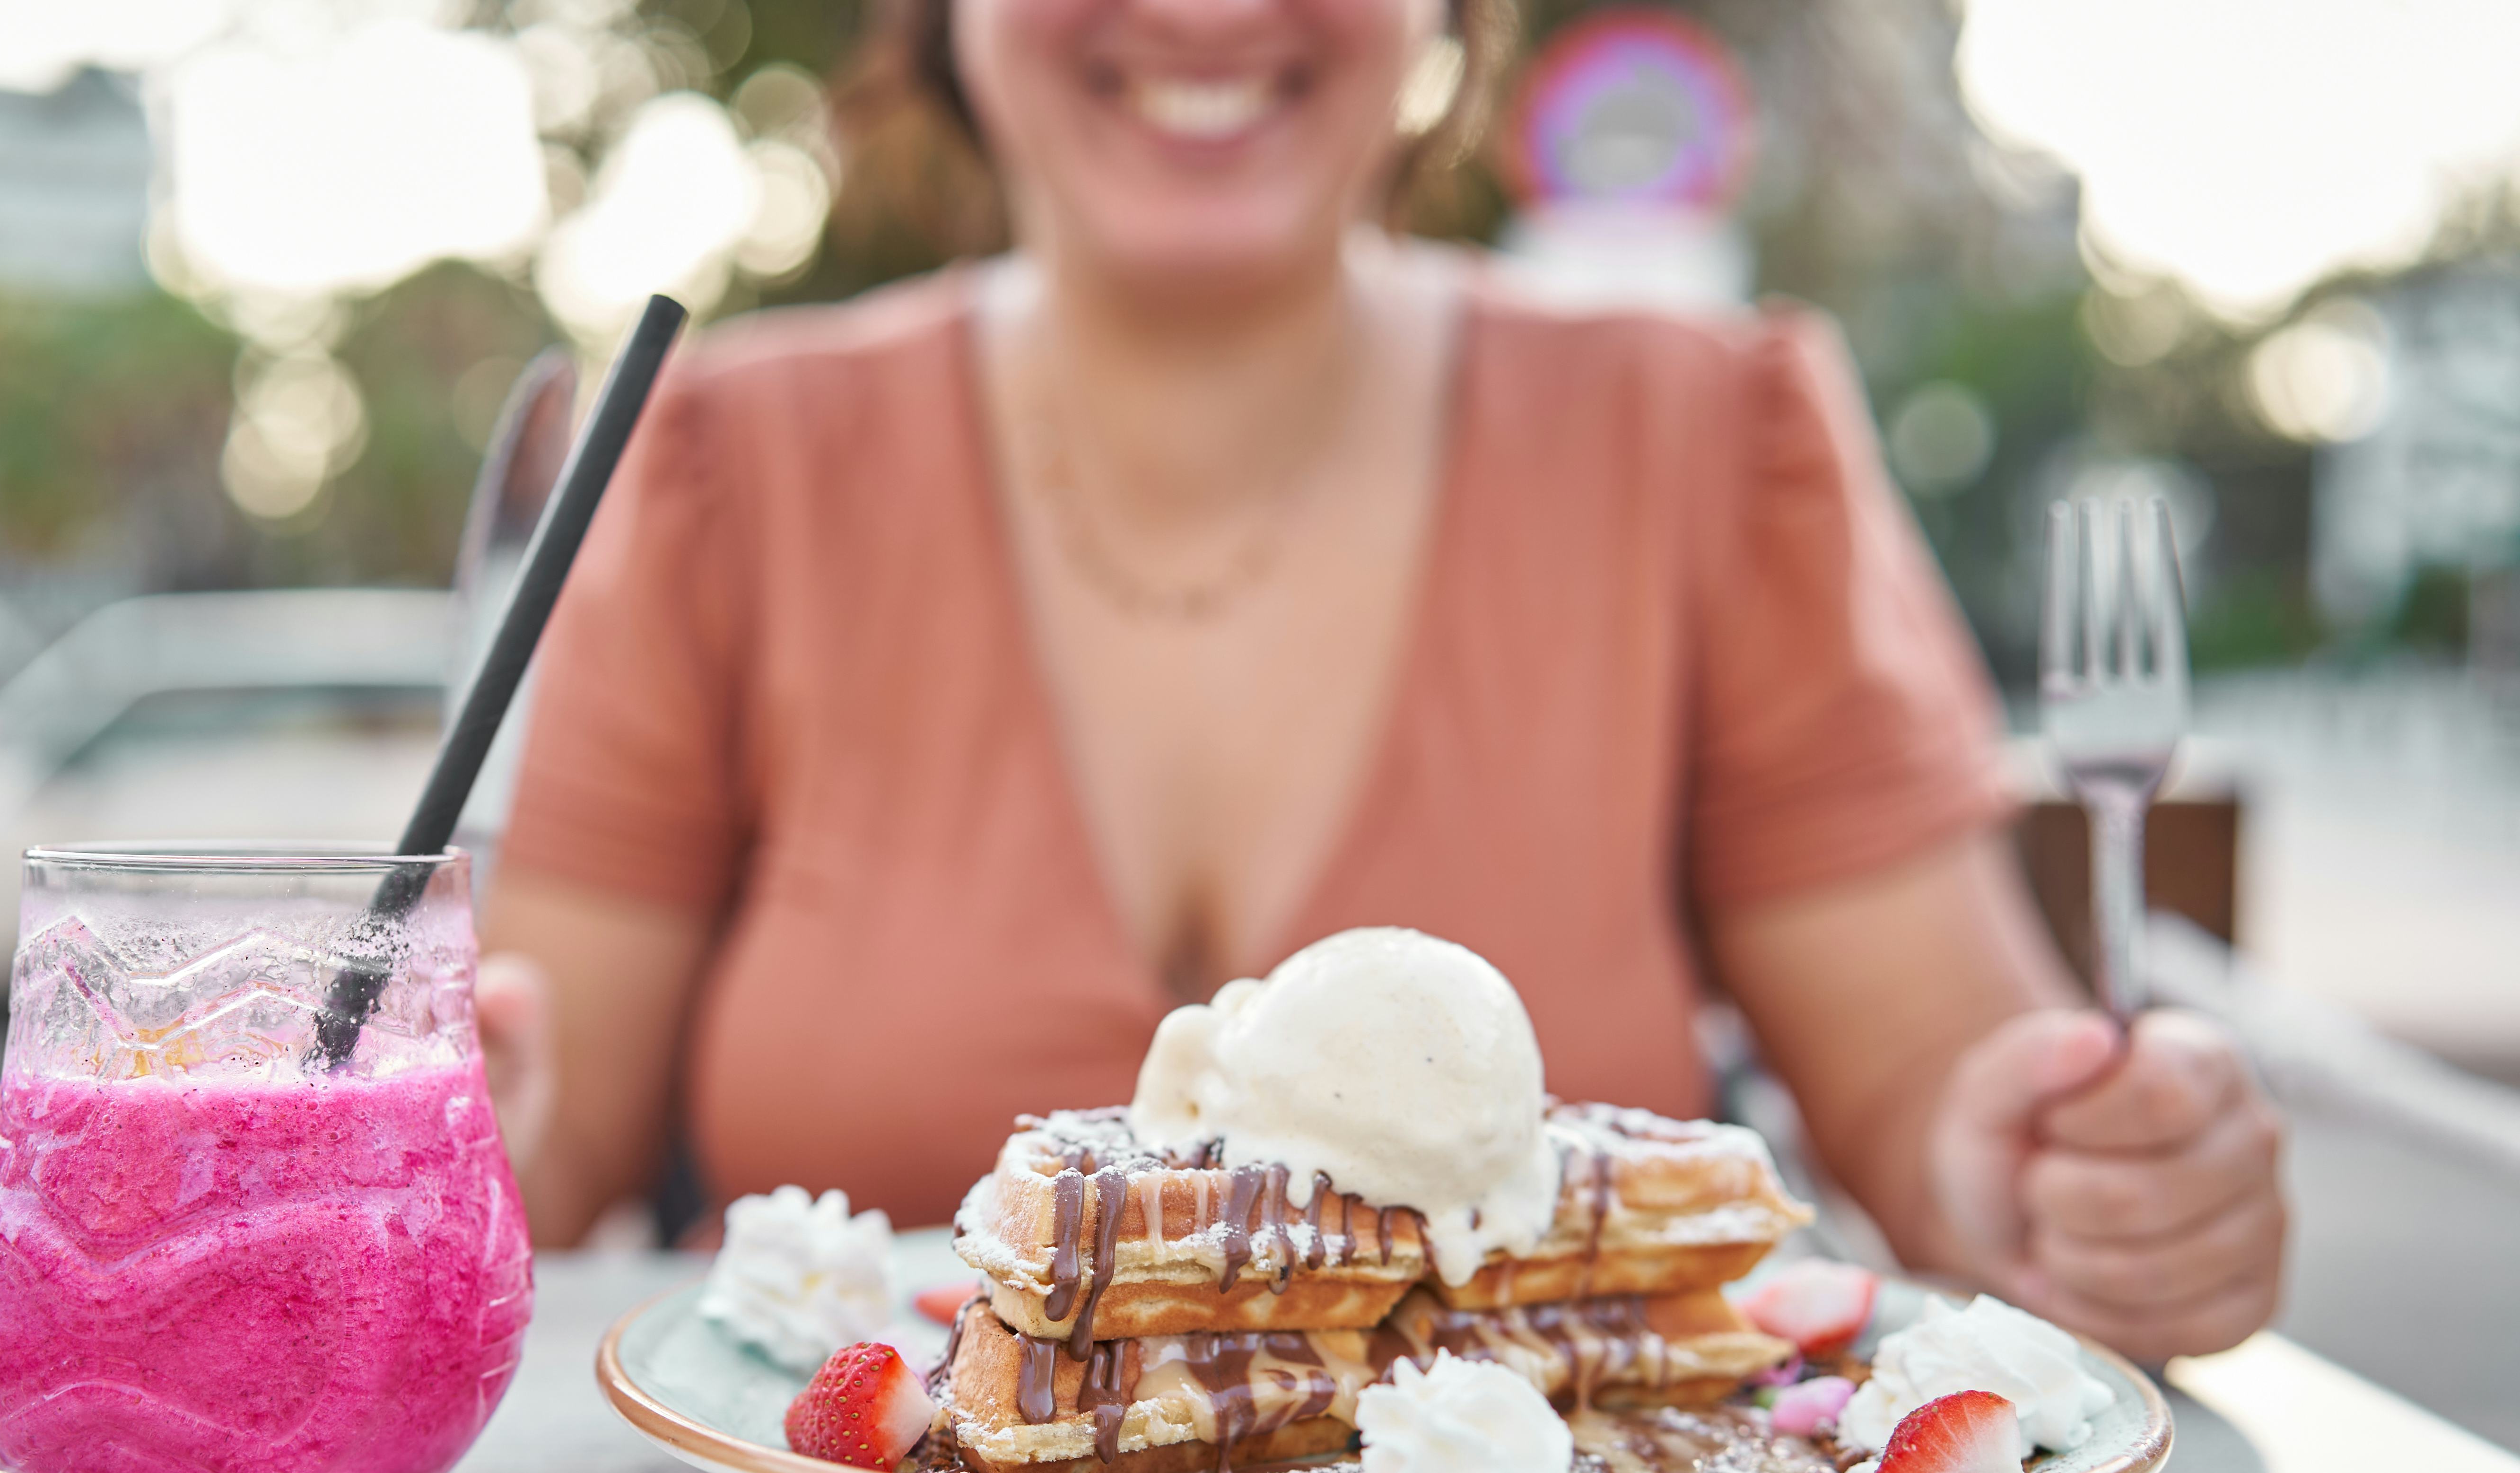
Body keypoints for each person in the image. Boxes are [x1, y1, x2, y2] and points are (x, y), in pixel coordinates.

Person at [479, 0, 2285, 1362]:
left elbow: (1939, 1096)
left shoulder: (1706, 437)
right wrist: (434, 1128)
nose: (1202, 12)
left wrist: (2066, 1185)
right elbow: (535, 1185)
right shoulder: (718, 462)